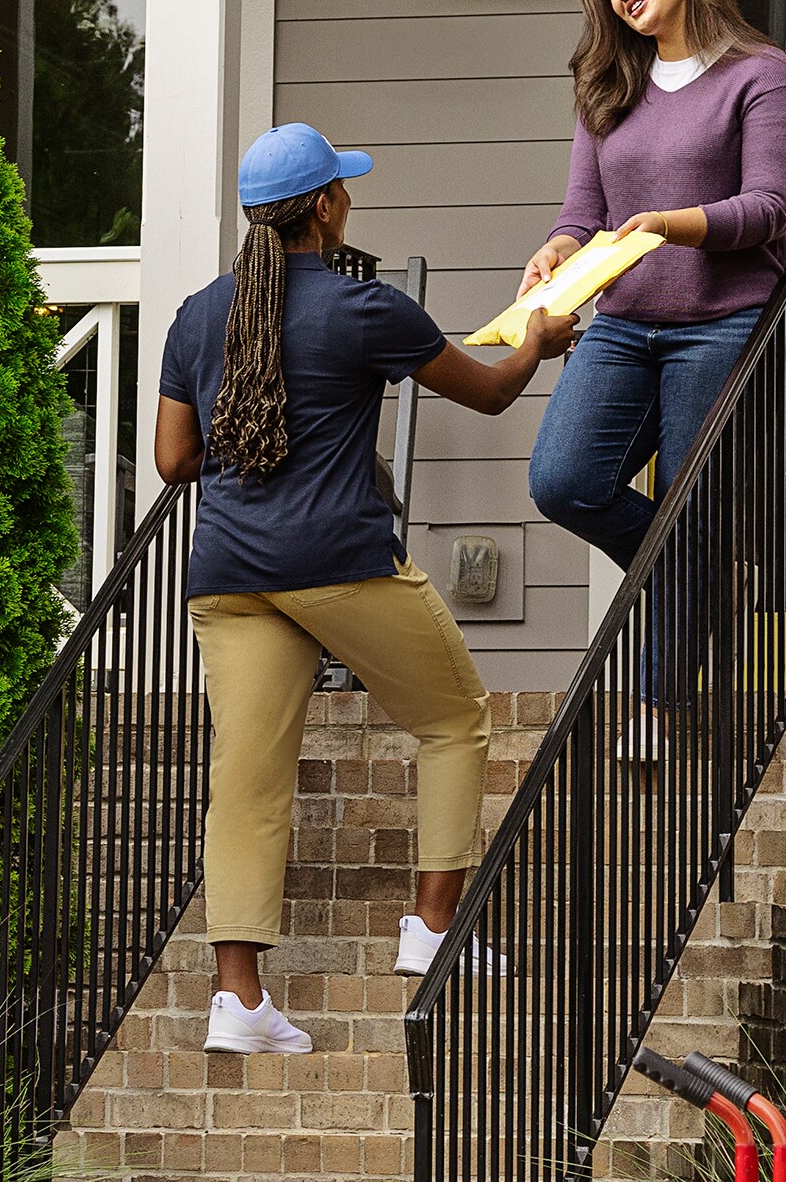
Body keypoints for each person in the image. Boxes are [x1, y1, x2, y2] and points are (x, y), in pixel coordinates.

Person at [154, 121, 553, 1055]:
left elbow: (173, 457)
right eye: (344, 188)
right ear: (327, 205)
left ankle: (240, 1002)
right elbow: (491, 391)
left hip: (229, 574)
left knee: (246, 782)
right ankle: (429, 929)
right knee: (453, 718)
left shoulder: (196, 314)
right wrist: (539, 339)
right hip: (337, 563)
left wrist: (250, 424)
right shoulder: (363, 308)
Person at [517, 0, 786, 761]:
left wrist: (667, 225)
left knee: (689, 506)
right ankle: (702, 571)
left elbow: (769, 209)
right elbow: (582, 213)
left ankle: (657, 698)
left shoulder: (760, 75)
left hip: (723, 324)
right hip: (621, 325)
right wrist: (558, 248)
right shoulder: (607, 85)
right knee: (565, 480)